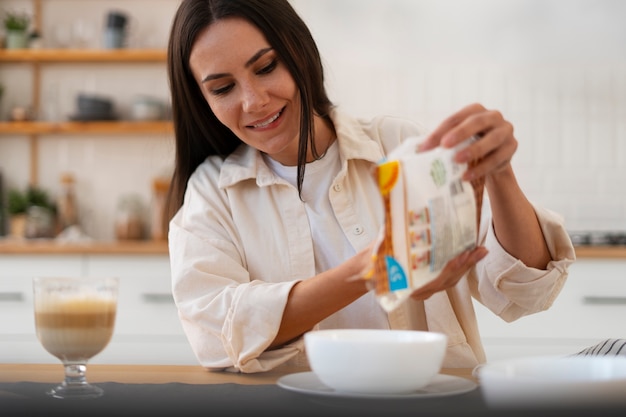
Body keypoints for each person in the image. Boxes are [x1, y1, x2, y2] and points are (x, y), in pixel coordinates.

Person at [165, 0, 576, 373]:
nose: (253, 101)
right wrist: (376, 270)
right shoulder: (212, 194)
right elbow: (219, 334)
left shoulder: (397, 145)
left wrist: (500, 172)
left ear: (299, 53)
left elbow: (527, 290)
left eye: (267, 66)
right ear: (203, 100)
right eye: (222, 88)